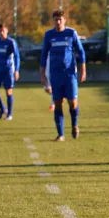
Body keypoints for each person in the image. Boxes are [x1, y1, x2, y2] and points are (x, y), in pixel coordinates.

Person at [40, 10, 86, 141]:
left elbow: (81, 52)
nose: (58, 22)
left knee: (73, 103)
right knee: (58, 103)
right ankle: (60, 134)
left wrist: (83, 70)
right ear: (53, 21)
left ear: (64, 20)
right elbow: (43, 55)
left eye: (60, 19)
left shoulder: (71, 33)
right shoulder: (49, 35)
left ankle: (75, 125)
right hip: (55, 74)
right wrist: (43, 74)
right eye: (55, 19)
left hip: (70, 74)